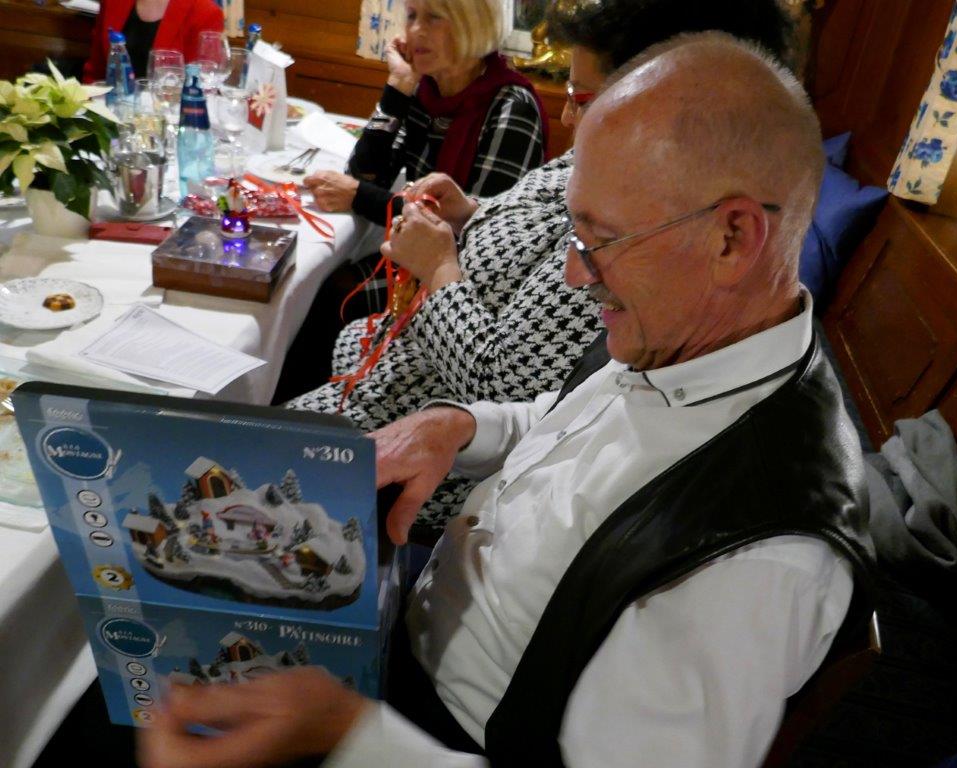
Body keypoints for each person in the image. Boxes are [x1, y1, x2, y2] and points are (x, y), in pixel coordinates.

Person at [140, 34, 876, 768]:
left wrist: (349, 737)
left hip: (435, 731)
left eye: (600, 241)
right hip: (409, 623)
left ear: (732, 238)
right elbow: (574, 415)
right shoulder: (702, 338)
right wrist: (460, 425)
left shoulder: (760, 559)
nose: (575, 274)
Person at [285, 0, 795, 535]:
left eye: (584, 99)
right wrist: (474, 212)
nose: (568, 116)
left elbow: (504, 385)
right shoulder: (602, 161)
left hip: (408, 435)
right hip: (388, 386)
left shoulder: (642, 235)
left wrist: (438, 269)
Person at [304, 0, 548, 224]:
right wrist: (398, 86)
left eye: (434, 17)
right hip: (412, 247)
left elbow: (480, 227)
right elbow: (365, 176)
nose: (416, 30)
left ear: (473, 25)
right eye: (411, 15)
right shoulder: (424, 88)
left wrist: (359, 197)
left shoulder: (513, 107)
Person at [82, 0, 223, 82]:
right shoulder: (112, 2)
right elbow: (95, 74)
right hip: (109, 114)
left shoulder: (205, 13)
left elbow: (199, 90)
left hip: (169, 118)